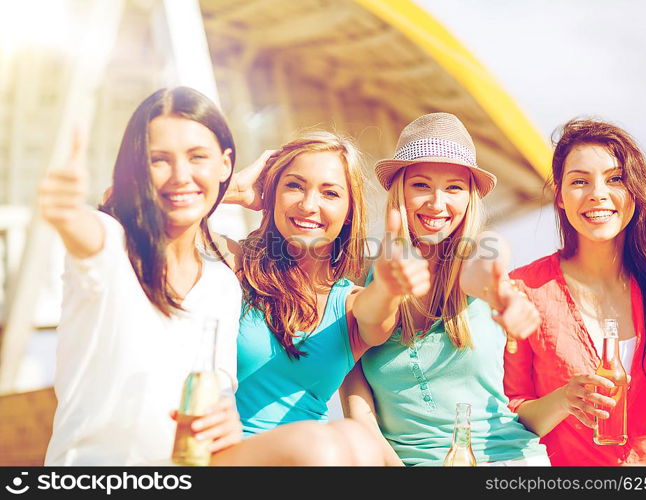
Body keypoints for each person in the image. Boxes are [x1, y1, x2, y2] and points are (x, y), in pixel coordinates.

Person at [41, 87, 382, 466]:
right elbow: (98, 227)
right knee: (323, 449)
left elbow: (219, 399)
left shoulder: (221, 284)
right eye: (159, 160)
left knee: (354, 443)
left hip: (198, 464)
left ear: (224, 162)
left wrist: (226, 422)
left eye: (197, 158)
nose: (180, 175)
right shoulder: (117, 250)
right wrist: (66, 211)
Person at [340, 112, 549, 466]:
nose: (437, 204)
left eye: (454, 188)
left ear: (470, 198)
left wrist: (502, 295)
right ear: (399, 192)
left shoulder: (476, 253)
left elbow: (488, 261)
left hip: (504, 458)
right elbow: (358, 410)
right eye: (421, 185)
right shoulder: (359, 281)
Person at [504, 118, 646, 466]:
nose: (597, 193)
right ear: (560, 197)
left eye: (615, 179)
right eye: (579, 181)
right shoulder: (523, 289)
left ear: (636, 191)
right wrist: (565, 399)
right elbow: (514, 412)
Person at [221, 130, 431, 437]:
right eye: (294, 186)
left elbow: (375, 312)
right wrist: (230, 189)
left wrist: (388, 285)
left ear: (348, 212)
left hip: (309, 455)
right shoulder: (233, 263)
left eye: (329, 193)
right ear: (271, 191)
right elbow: (136, 220)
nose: (308, 205)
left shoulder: (350, 303)